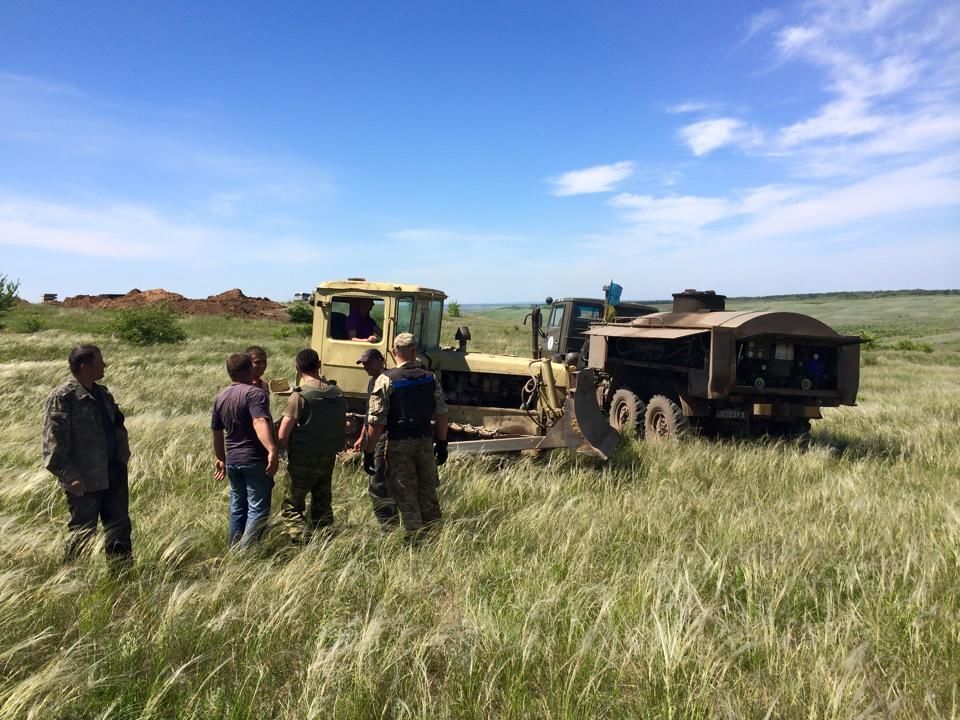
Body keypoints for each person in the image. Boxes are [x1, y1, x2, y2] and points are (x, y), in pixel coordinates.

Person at [42, 345, 132, 565]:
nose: (104, 365)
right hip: (84, 481)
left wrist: (122, 458)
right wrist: (68, 475)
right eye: (100, 362)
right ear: (84, 367)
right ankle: (71, 579)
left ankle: (122, 578)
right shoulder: (63, 398)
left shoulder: (103, 394)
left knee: (119, 531)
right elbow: (53, 443)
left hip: (113, 475)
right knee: (82, 534)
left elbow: (117, 427)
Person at [365, 333, 448, 539]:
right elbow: (442, 412)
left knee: (405, 492)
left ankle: (417, 538)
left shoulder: (386, 379)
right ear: (414, 351)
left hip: (398, 444)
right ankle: (435, 536)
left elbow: (376, 422)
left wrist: (368, 451)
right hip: (424, 442)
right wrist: (442, 442)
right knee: (428, 491)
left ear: (394, 352)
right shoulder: (429, 377)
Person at [276, 349, 346, 542]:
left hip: (303, 458)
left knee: (292, 506)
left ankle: (302, 541)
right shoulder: (336, 393)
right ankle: (325, 541)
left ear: (297, 367)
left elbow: (283, 434)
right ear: (319, 364)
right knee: (322, 504)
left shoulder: (300, 396)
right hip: (328, 457)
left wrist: (288, 453)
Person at [211, 353, 279, 548]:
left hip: (232, 460)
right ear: (247, 370)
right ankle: (246, 554)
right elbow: (259, 421)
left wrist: (220, 458)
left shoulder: (220, 397)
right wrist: (271, 449)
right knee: (258, 508)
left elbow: (216, 432)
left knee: (237, 508)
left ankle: (234, 551)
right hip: (254, 458)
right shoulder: (254, 394)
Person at [353, 347, 398, 528]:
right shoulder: (373, 382)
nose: (366, 367)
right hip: (375, 434)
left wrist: (370, 448)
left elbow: (380, 418)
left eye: (369, 363)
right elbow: (370, 413)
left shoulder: (386, 381)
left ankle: (387, 524)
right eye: (364, 364)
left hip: (385, 436)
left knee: (379, 480)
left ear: (381, 360)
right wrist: (362, 435)